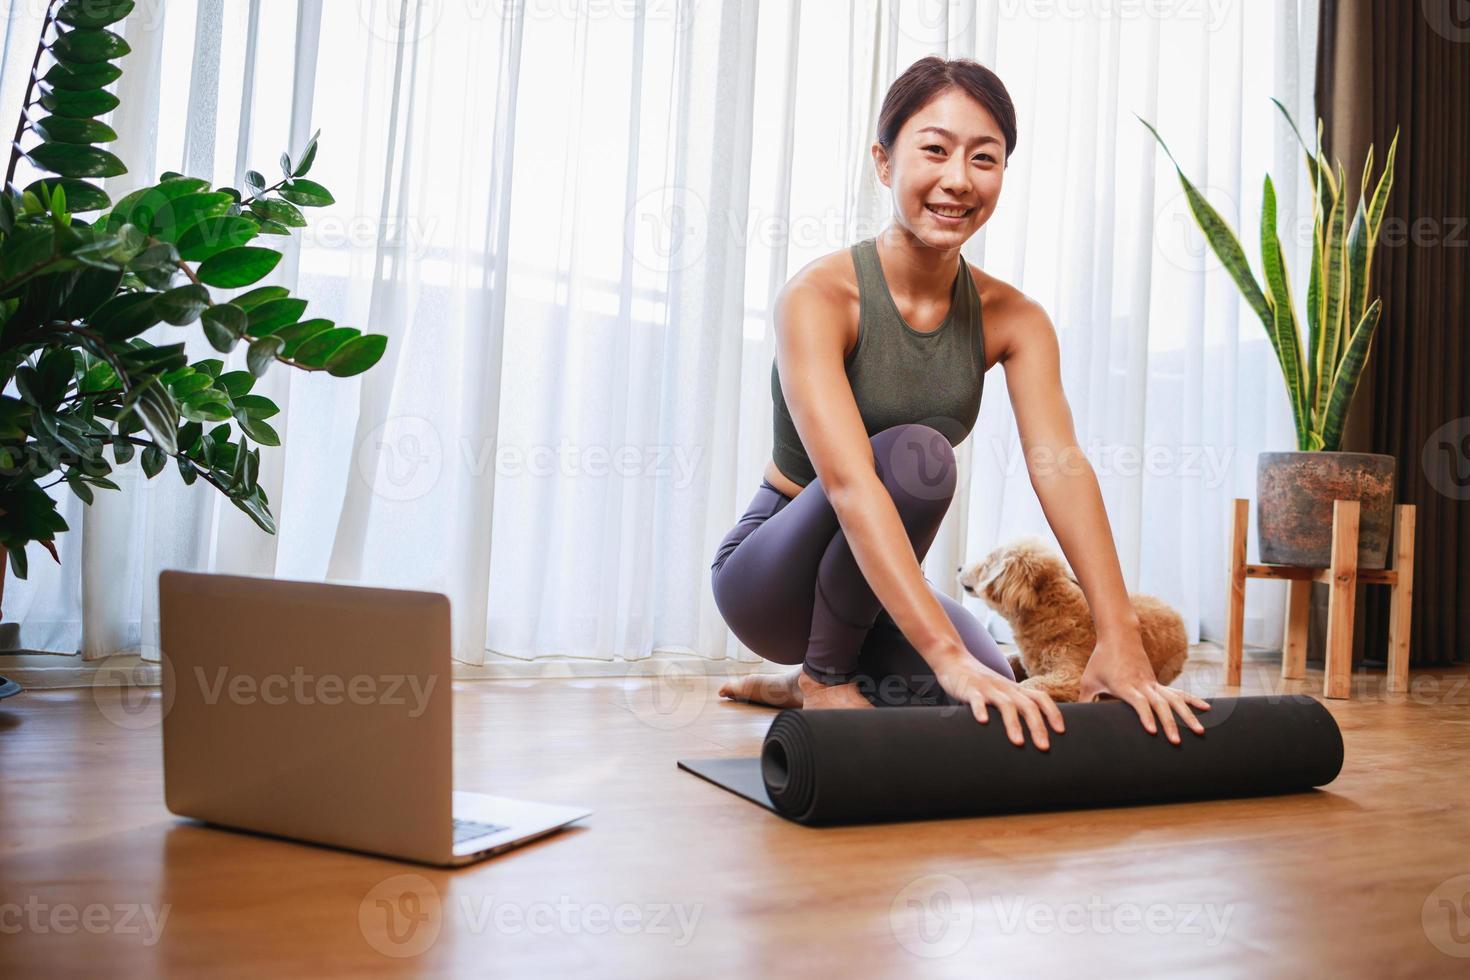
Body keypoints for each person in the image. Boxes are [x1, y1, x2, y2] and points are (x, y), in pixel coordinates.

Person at [709, 56, 1210, 750]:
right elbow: (853, 487)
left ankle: (800, 682)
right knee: (920, 458)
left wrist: (1118, 638)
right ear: (884, 163)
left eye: (985, 157)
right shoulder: (819, 298)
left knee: (983, 687)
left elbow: (1060, 466)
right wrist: (941, 654)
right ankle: (821, 676)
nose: (958, 179)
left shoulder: (1016, 318)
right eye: (935, 150)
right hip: (772, 578)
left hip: (865, 588)